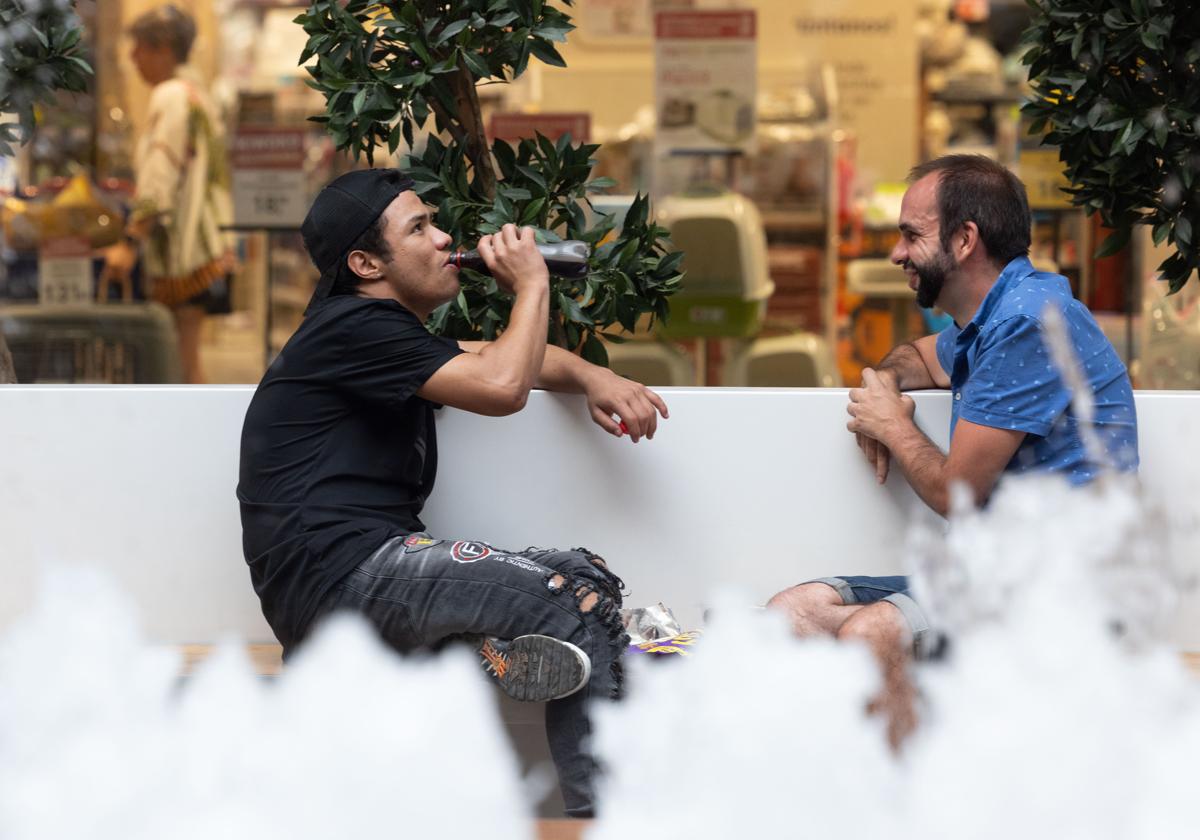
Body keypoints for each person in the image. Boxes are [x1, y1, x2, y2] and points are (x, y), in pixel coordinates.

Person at [237, 168, 669, 817]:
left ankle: (490, 645)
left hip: (375, 568)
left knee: (586, 581)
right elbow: (501, 386)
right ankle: (601, 821)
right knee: (572, 604)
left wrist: (593, 375)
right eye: (419, 228)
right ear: (364, 262)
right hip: (340, 577)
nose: (445, 239)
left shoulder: (383, 337)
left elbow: (506, 358)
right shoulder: (350, 327)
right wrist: (531, 282)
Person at [767, 154, 1138, 741]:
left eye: (911, 235)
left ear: (965, 240)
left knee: (873, 634)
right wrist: (885, 384)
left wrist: (893, 425)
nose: (896, 253)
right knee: (791, 614)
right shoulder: (992, 320)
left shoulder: (1030, 321)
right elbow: (916, 357)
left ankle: (901, 816)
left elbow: (956, 492)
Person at [100, 4, 234, 384]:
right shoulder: (197, 94)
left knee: (180, 362)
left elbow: (160, 178)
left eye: (140, 47)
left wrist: (130, 240)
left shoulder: (172, 95)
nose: (133, 57)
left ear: (163, 49)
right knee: (185, 358)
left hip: (185, 252)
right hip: (205, 247)